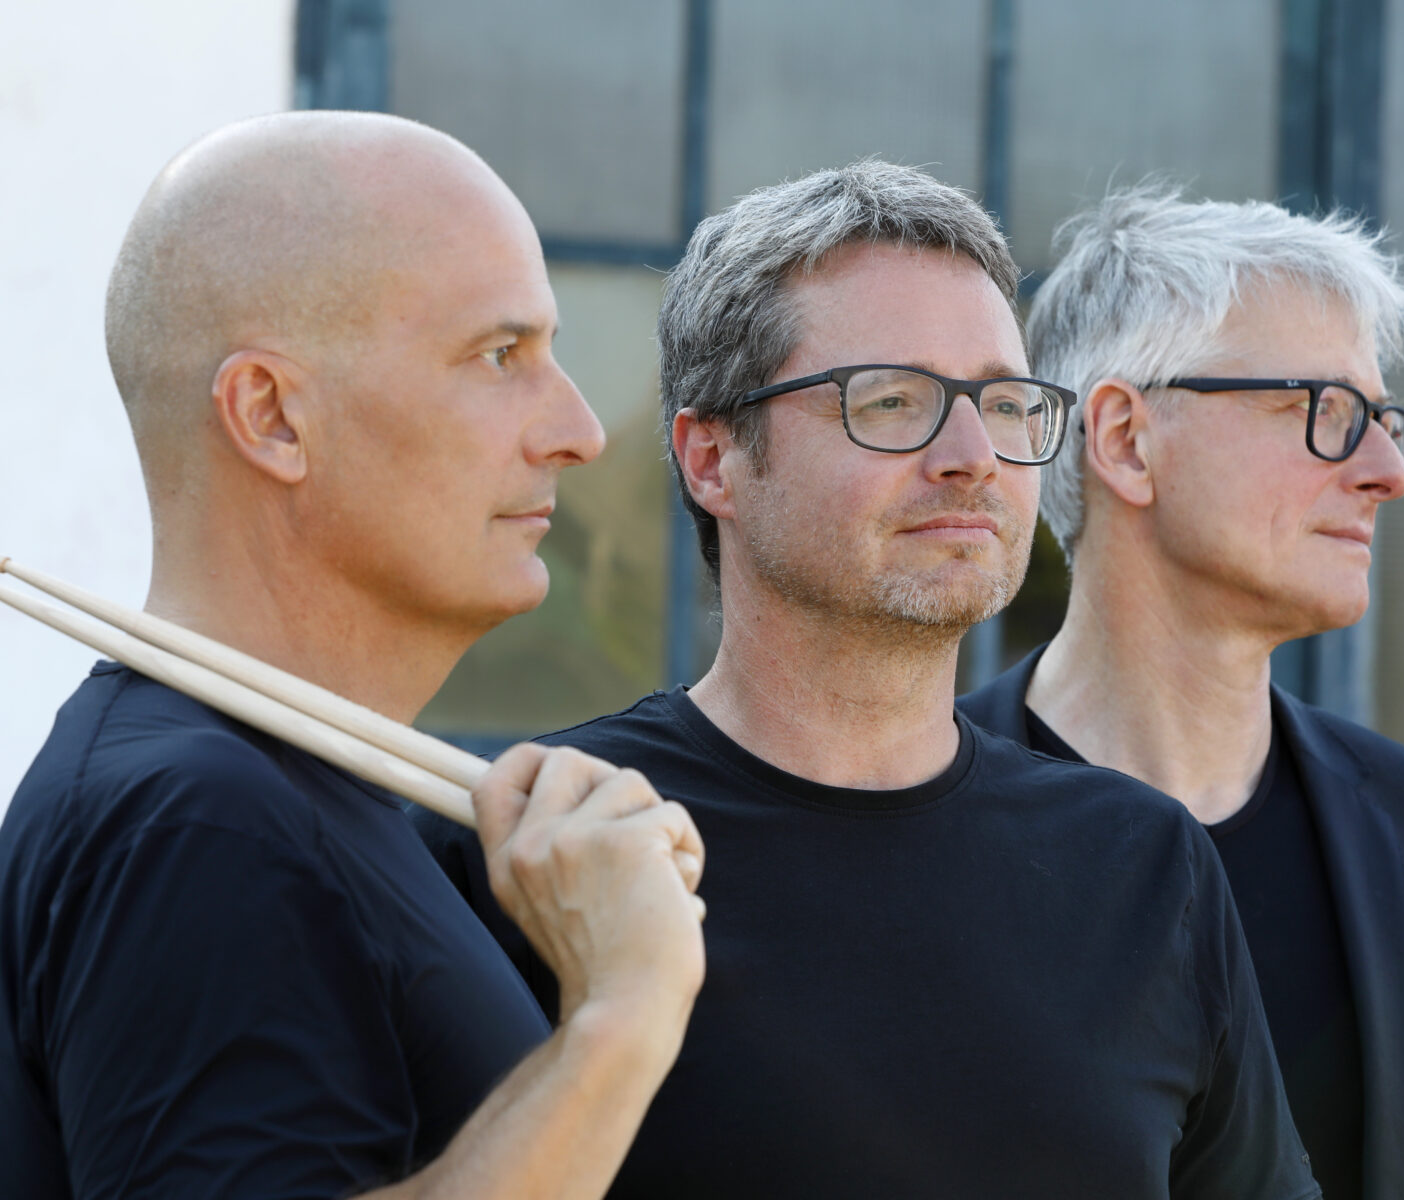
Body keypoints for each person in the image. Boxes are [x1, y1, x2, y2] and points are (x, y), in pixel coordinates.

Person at [418, 161, 1320, 1199]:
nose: (973, 455)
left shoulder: (1144, 865)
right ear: (711, 459)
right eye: (892, 401)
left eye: (1005, 403)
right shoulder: (541, 846)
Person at [0, 111, 708, 1200]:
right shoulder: (198, 822)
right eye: (499, 355)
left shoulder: (295, 798)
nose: (580, 431)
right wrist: (622, 1018)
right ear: (271, 416)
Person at [958, 184, 1404, 1200]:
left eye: (1384, 420)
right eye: (1323, 411)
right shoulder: (901, 824)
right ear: (1126, 439)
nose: (1388, 471)